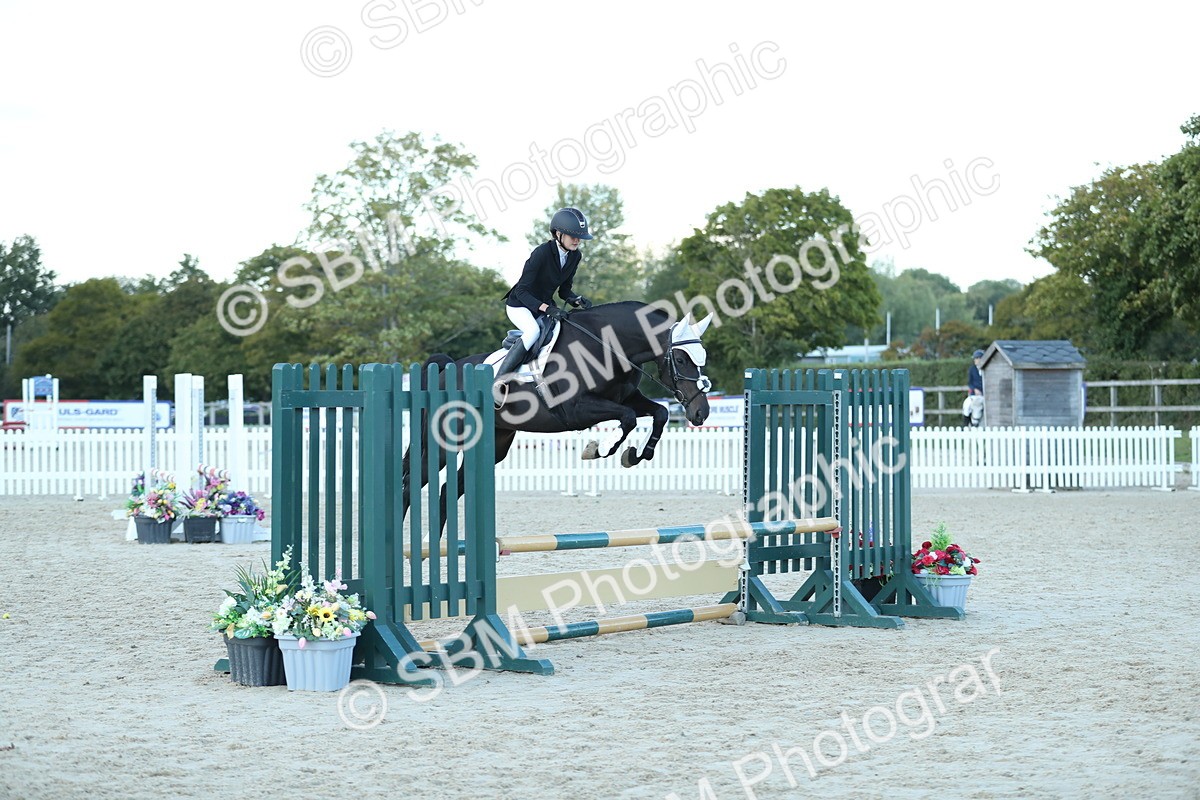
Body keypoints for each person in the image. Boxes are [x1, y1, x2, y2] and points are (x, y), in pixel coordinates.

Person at [494, 207, 594, 380]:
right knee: (533, 331)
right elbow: (521, 290)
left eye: (580, 237)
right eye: (573, 236)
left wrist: (576, 299)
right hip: (519, 305)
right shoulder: (541, 253)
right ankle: (500, 379)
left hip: (544, 306)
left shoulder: (575, 256)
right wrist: (547, 308)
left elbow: (564, 291)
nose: (577, 241)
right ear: (558, 234)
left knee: (565, 330)